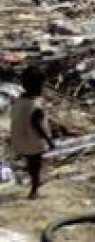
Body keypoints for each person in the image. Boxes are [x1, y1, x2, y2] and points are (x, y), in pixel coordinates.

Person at [10, 66, 55, 199]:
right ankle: (34, 190)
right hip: (33, 140)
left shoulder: (19, 100)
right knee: (36, 164)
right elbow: (37, 126)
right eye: (41, 85)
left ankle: (35, 181)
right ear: (37, 86)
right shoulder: (35, 105)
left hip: (21, 139)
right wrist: (49, 141)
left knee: (31, 163)